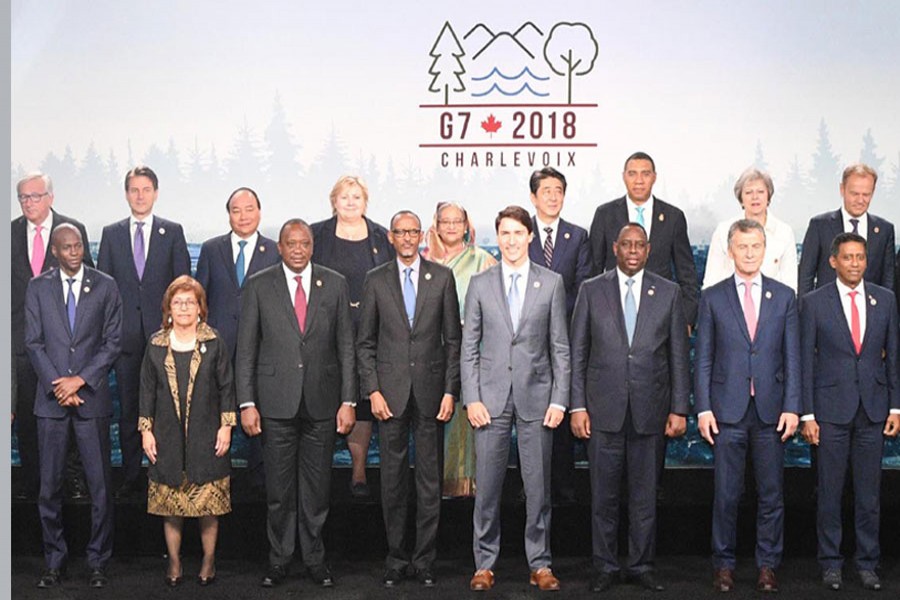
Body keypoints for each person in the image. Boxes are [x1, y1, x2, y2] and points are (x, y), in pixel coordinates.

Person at [236, 219, 357, 589]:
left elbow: (346, 347)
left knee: (317, 490)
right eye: (292, 244)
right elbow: (247, 349)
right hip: (274, 403)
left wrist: (349, 400)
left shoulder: (334, 283)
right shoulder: (259, 285)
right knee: (279, 490)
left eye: (305, 243)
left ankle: (315, 559)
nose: (299, 249)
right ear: (280, 247)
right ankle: (279, 560)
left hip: (322, 402)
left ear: (312, 246)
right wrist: (246, 402)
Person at [570, 223, 689, 593]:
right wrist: (577, 406)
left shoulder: (669, 293)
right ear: (615, 249)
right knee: (602, 497)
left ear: (649, 249)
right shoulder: (591, 290)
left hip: (650, 411)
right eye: (626, 244)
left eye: (640, 244)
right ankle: (604, 566)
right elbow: (578, 354)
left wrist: (679, 408)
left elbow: (678, 358)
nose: (633, 250)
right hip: (602, 411)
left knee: (644, 497)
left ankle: (641, 564)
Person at [461, 206, 570, 592]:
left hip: (537, 400)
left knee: (538, 490)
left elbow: (560, 348)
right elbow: (468, 347)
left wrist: (559, 400)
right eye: (503, 233)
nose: (510, 240)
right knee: (487, 489)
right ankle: (484, 565)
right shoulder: (480, 283)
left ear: (530, 237)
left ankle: (540, 564)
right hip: (488, 401)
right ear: (498, 237)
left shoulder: (552, 283)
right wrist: (471, 397)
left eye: (517, 233)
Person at [695, 219, 800, 593]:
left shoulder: (785, 296)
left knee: (771, 494)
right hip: (726, 412)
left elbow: (792, 358)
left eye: (757, 246)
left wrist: (793, 407)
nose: (751, 253)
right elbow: (703, 358)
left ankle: (767, 565)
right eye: (743, 247)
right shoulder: (713, 297)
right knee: (726, 494)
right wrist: (704, 409)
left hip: (772, 412)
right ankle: (723, 565)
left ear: (765, 249)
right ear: (730, 251)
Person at [357, 210, 462, 587]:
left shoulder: (442, 278)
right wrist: (373, 390)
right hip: (389, 397)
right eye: (399, 232)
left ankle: (425, 560)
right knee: (393, 483)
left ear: (422, 235)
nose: (406, 238)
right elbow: (365, 343)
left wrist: (451, 391)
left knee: (430, 482)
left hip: (433, 396)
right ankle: (396, 558)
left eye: (412, 232)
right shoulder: (375, 280)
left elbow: (453, 342)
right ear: (390, 237)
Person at [800, 232, 900, 592]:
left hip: (873, 411)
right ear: (833, 261)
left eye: (860, 257)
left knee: (869, 494)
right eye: (848, 257)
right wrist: (807, 415)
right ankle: (830, 563)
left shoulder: (885, 300)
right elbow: (804, 363)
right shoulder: (813, 303)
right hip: (829, 413)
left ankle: (868, 562)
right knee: (829, 492)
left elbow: (893, 357)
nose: (855, 263)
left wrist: (895, 406)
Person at [25, 224, 122, 589]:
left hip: (90, 400)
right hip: (50, 404)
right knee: (48, 488)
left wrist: (79, 380)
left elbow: (112, 343)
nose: (74, 251)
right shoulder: (37, 288)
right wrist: (59, 386)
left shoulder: (105, 285)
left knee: (99, 488)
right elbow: (33, 343)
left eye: (78, 244)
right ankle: (54, 559)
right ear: (54, 251)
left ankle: (98, 560)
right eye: (66, 247)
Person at [97, 166, 191, 499]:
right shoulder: (111, 234)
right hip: (123, 339)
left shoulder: (173, 231)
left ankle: (163, 470)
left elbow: (184, 287)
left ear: (156, 192)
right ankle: (132, 473)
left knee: (166, 407)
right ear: (126, 194)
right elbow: (102, 290)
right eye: (134, 190)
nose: (140, 195)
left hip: (164, 339)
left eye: (146, 189)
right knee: (128, 410)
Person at [139, 276, 236, 587]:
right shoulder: (155, 345)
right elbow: (146, 392)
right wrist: (146, 430)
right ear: (168, 309)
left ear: (200, 308)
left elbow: (227, 387)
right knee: (172, 506)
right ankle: (175, 563)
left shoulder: (214, 342)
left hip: (207, 435)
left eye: (189, 302)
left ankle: (208, 560)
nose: (183, 308)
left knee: (209, 506)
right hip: (166, 437)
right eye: (177, 302)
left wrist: (226, 426)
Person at [310, 175, 393, 498]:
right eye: (344, 197)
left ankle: (358, 470)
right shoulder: (317, 234)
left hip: (371, 330)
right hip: (325, 329)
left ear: (365, 201)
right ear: (334, 201)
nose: (350, 202)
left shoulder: (380, 236)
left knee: (362, 398)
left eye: (356, 197)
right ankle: (319, 472)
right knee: (329, 394)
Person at [12, 171, 93, 501]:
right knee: (29, 419)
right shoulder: (9, 234)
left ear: (51, 197)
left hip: (65, 344)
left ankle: (71, 481)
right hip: (20, 344)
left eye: (36, 196)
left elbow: (89, 286)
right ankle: (34, 483)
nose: (29, 203)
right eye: (23, 198)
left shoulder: (72, 230)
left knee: (69, 415)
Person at [195, 187, 280, 492]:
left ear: (259, 211)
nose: (243, 216)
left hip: (263, 350)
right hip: (219, 347)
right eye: (236, 210)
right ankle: (217, 477)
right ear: (228, 214)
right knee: (214, 413)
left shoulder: (275, 251)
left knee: (260, 414)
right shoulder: (210, 249)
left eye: (249, 209)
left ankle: (259, 480)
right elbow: (199, 300)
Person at [423, 201, 496, 497]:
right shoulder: (424, 261)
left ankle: (466, 489)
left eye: (457, 221)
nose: (451, 226)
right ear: (436, 225)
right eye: (445, 221)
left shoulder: (483, 261)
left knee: (466, 422)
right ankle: (432, 491)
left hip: (471, 353)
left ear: (467, 225)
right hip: (429, 356)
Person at [527, 167, 591, 505]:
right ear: (533, 197)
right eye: (546, 190)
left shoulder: (578, 236)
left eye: (558, 190)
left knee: (562, 418)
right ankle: (530, 489)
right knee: (531, 419)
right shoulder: (521, 234)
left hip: (565, 338)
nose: (553, 196)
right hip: (527, 341)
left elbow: (583, 289)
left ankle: (564, 496)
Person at [589, 151, 700, 328]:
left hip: (662, 315)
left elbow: (687, 274)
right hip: (613, 314)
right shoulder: (605, 214)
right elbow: (592, 270)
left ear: (654, 177)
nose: (639, 180)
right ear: (624, 177)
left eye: (645, 174)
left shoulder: (673, 217)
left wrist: (685, 319)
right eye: (632, 174)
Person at [798, 163, 895, 296]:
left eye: (866, 194)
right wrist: (806, 311)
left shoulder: (884, 230)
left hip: (870, 312)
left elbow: (888, 280)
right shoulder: (820, 225)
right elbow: (805, 277)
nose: (860, 200)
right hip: (827, 311)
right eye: (854, 194)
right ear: (842, 189)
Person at [702, 168, 798, 291]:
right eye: (748, 192)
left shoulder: (784, 232)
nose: (755, 197)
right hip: (729, 305)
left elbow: (790, 285)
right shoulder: (723, 231)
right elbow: (711, 281)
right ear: (741, 198)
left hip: (773, 306)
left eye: (760, 192)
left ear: (768, 195)